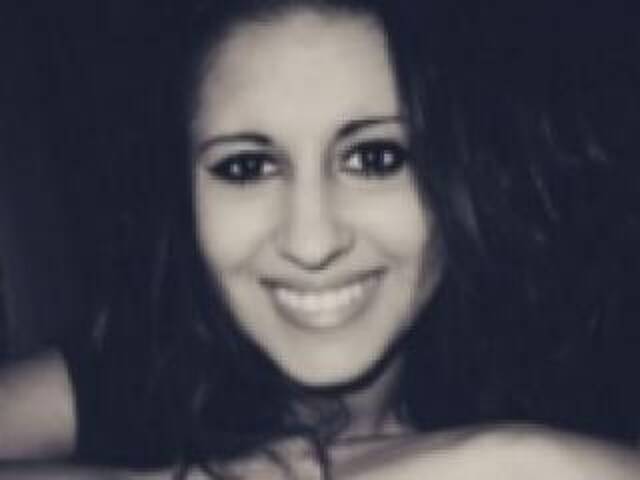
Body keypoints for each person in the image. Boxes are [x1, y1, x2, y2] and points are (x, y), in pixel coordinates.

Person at [1, 0, 639, 478]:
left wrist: (512, 457)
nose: (312, 243)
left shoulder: (587, 372)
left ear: (470, 172)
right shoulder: (153, 366)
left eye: (376, 159)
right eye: (246, 167)